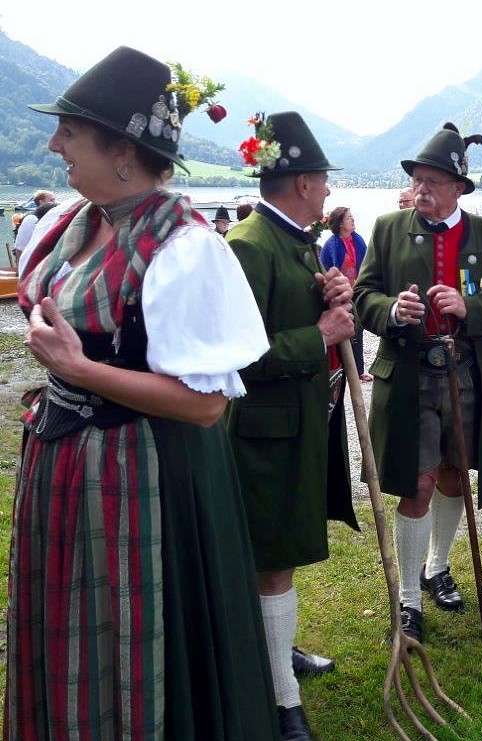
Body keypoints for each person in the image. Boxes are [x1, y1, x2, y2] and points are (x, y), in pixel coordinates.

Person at [11, 46, 278, 738]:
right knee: (70, 621)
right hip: (66, 463)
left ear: (124, 152)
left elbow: (205, 405)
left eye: (70, 131)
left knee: (137, 636)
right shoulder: (77, 221)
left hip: (141, 480)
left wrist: (81, 369)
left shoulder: (185, 248)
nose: (54, 144)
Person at [353, 122, 482, 642]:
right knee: (418, 481)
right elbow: (363, 296)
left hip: (469, 373)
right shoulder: (388, 229)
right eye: (417, 179)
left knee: (454, 475)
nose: (421, 189)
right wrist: (391, 309)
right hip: (409, 375)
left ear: (458, 188)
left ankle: (438, 567)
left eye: (432, 181)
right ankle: (408, 598)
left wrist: (469, 306)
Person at [226, 111, 358, 740]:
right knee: (273, 560)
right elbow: (236, 356)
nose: (328, 190)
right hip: (262, 434)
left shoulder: (296, 240)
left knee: (280, 558)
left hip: (294, 426)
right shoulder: (249, 245)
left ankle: (277, 650)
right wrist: (321, 333)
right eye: (323, 180)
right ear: (303, 183)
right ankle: (282, 701)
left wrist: (331, 296)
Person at [320, 205, 372, 381]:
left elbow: (367, 264)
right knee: (343, 333)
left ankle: (359, 371)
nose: (353, 219)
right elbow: (327, 270)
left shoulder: (358, 240)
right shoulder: (331, 244)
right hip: (339, 295)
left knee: (357, 330)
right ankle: (341, 370)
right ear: (341, 224)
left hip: (356, 291)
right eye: (349, 217)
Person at [13, 190, 57, 260]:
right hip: (30, 258)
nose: (55, 202)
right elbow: (20, 247)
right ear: (41, 202)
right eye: (52, 200)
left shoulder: (52, 216)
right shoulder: (31, 219)